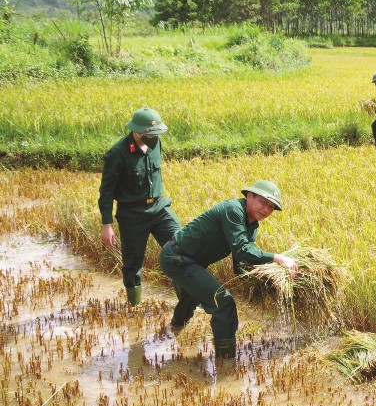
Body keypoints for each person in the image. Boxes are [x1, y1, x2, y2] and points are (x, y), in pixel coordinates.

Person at [158, 180, 298, 359]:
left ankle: (173, 331)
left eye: (271, 207)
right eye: (263, 202)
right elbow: (242, 249)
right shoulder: (233, 210)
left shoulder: (252, 224)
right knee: (223, 303)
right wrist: (277, 258)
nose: (266, 210)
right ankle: (226, 361)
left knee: (192, 297)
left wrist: (263, 280)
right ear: (249, 196)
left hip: (192, 262)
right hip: (177, 258)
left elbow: (241, 260)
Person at [98, 107, 182, 306]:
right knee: (133, 264)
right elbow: (106, 191)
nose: (155, 137)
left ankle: (185, 303)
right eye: (151, 134)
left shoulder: (156, 143)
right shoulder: (117, 154)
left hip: (159, 208)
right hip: (132, 214)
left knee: (182, 249)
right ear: (137, 132)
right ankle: (134, 305)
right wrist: (106, 225)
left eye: (157, 133)